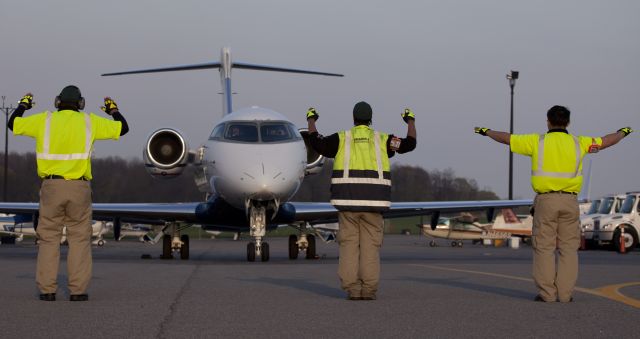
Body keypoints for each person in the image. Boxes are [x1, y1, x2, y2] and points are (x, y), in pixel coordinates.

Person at [474, 105, 632, 302]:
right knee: (568, 248)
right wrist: (623, 133)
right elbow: (606, 141)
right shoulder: (579, 143)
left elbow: (507, 138)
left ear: (547, 121)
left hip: (546, 200)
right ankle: (565, 294)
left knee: (544, 247)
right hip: (570, 201)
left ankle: (547, 294)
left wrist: (486, 132)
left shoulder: (536, 141)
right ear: (568, 122)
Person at [8, 86, 129, 301]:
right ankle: (78, 291)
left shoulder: (44, 120)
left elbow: (12, 124)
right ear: (80, 104)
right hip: (79, 188)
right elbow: (123, 128)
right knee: (80, 239)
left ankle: (47, 291)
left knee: (49, 239)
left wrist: (23, 105)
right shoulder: (90, 122)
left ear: (57, 102)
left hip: (51, 187)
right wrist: (113, 110)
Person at [306, 102, 416, 300]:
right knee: (370, 248)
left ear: (354, 118)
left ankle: (353, 290)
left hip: (347, 203)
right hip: (375, 204)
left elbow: (316, 142)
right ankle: (369, 290)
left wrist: (311, 119)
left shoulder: (341, 138)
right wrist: (410, 120)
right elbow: (410, 144)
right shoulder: (383, 140)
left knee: (349, 245)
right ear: (370, 118)